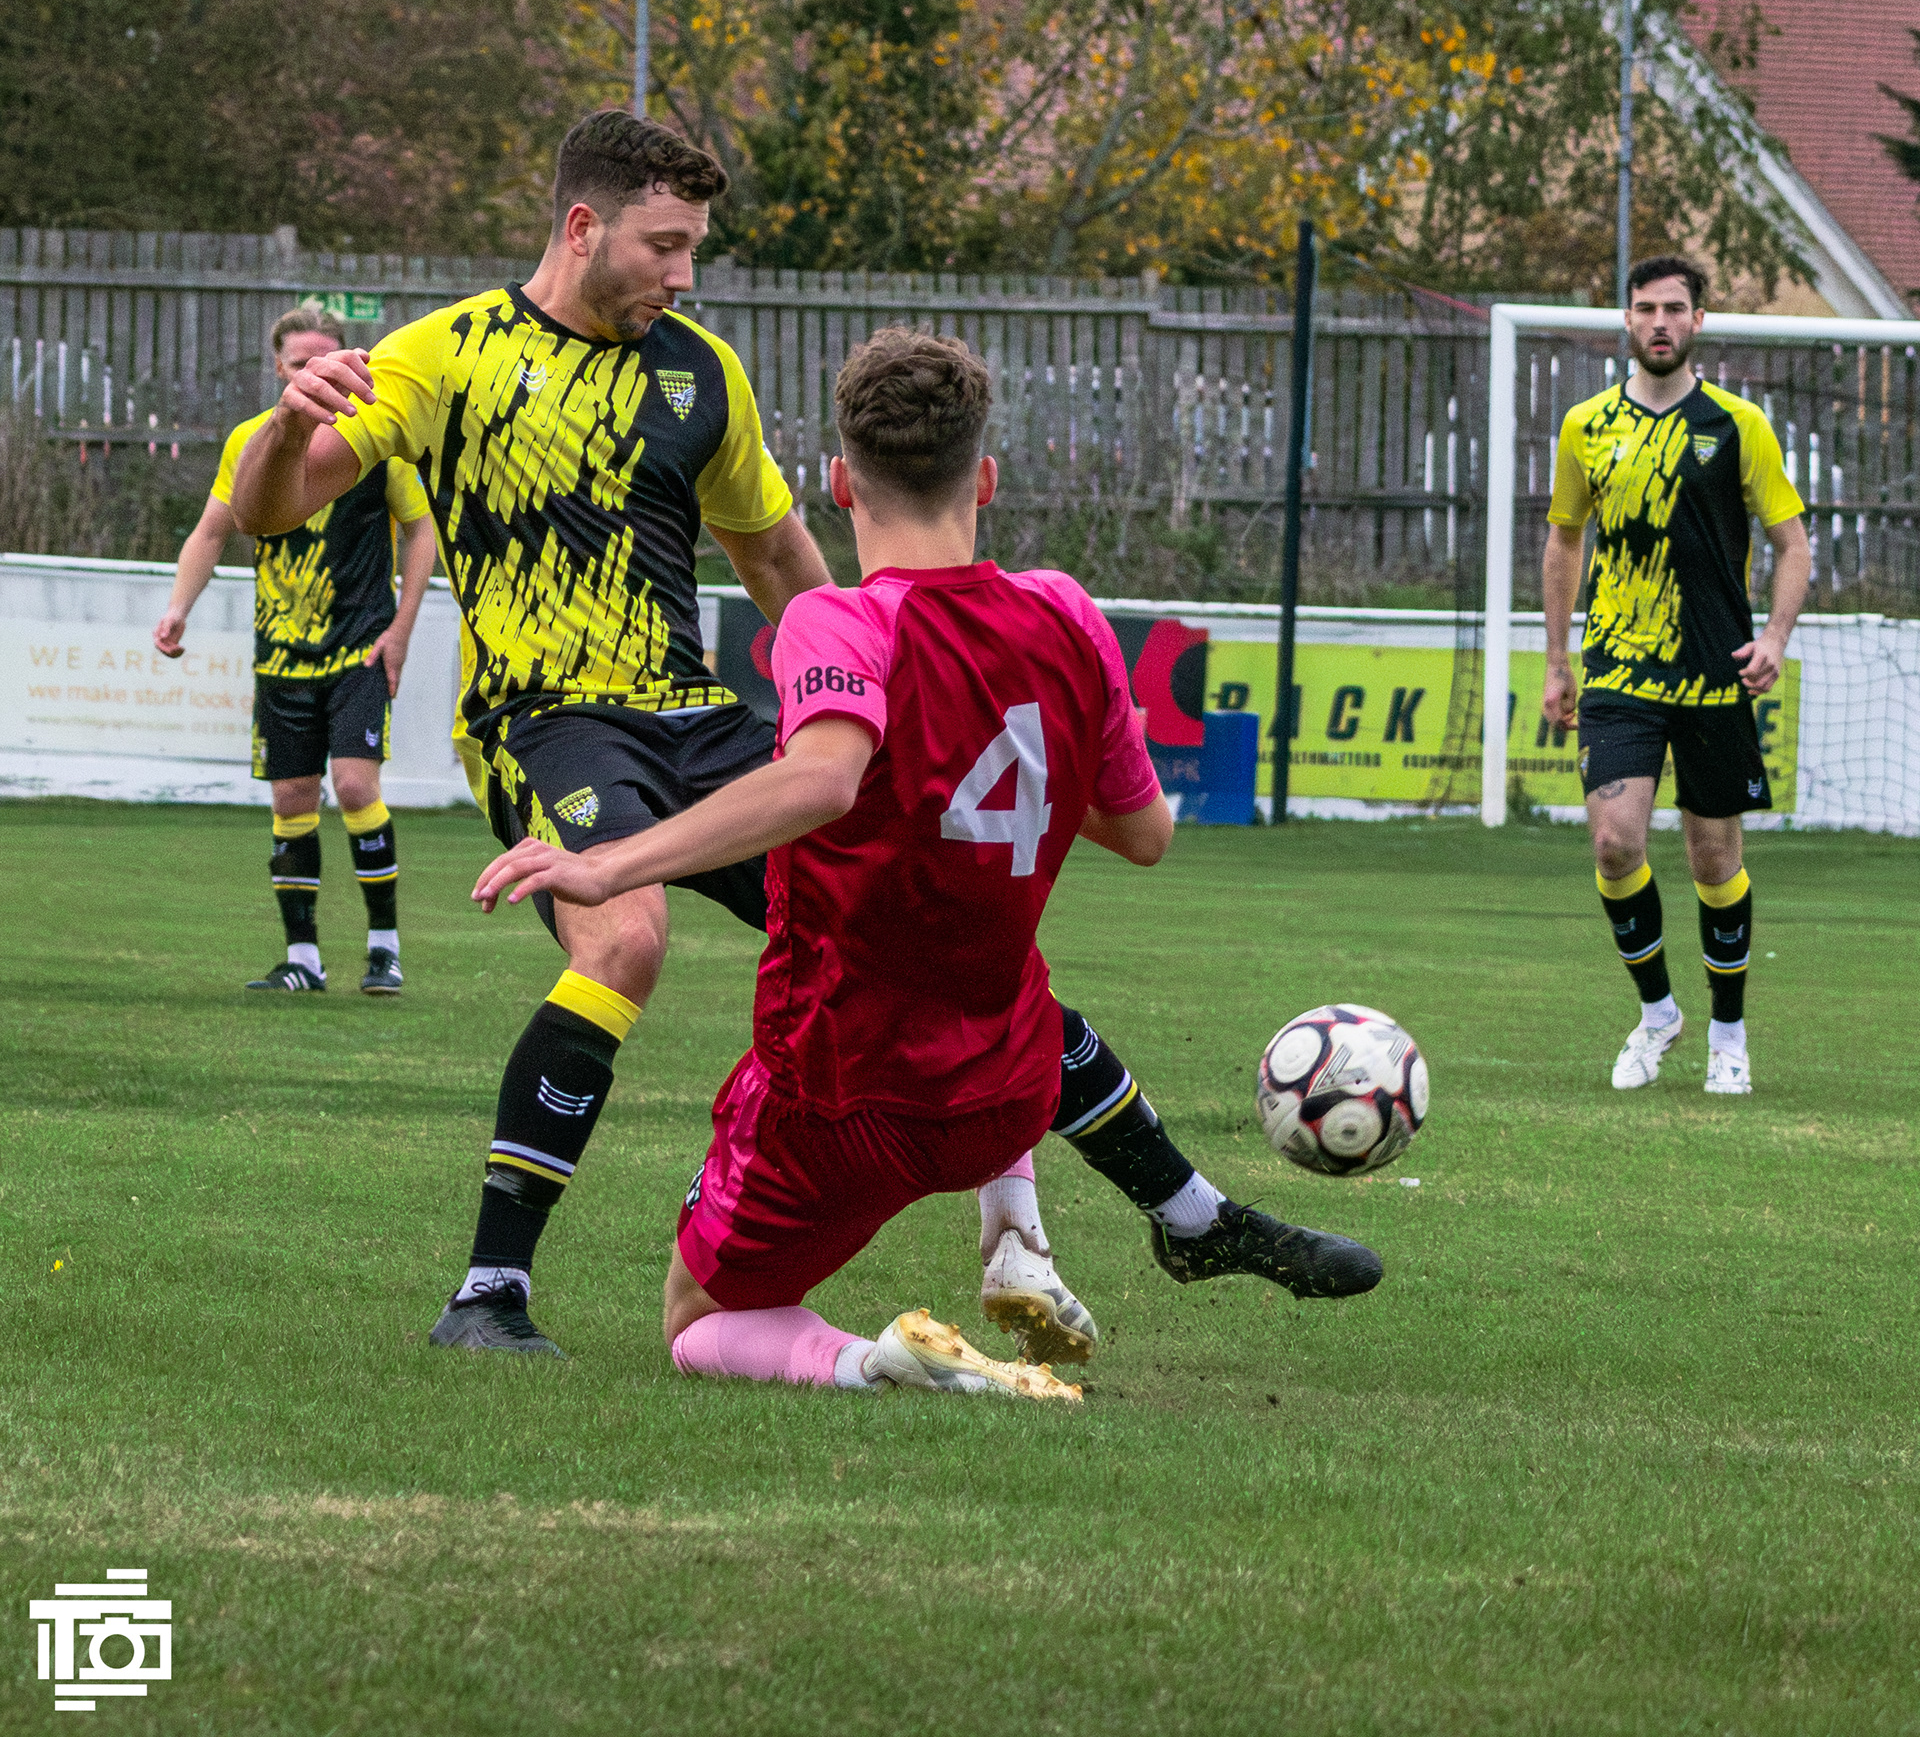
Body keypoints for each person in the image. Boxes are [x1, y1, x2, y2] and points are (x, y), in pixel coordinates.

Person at [231, 111, 1372, 1357]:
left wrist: (892, 691)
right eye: (665, 245)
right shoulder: (442, 356)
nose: (683, 274)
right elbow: (269, 508)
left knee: (934, 927)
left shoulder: (699, 373)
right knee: (626, 937)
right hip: (545, 721)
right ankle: (487, 1295)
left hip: (696, 719)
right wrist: (288, 426)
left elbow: (778, 557)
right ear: (582, 226)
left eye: (693, 249)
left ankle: (1189, 1215)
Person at [474, 329, 1381, 1400]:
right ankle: (1023, 1238)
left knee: (696, 1321)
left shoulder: (837, 622)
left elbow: (822, 780)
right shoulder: (1066, 611)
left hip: (838, 1102)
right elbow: (1145, 835)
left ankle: (880, 1362)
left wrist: (611, 865)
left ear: (838, 482)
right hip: (1008, 1097)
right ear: (984, 478)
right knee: (1004, 973)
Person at [1542, 254, 1809, 1098]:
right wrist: (1557, 660)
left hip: (1712, 672)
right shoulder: (1586, 425)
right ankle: (1658, 1013)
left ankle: (1729, 1034)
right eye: (1646, 308)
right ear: (1626, 319)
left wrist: (1774, 636)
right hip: (1619, 667)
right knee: (1614, 841)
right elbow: (1564, 540)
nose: (1660, 322)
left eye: (1674, 308)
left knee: (1712, 857)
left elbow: (1793, 544)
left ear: (1698, 321)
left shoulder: (1738, 425)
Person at [156, 305, 437, 996]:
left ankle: (384, 949)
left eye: (325, 359)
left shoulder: (376, 441)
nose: (315, 372)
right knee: (291, 797)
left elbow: (420, 531)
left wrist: (401, 629)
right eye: (300, 363)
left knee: (356, 785)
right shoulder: (251, 442)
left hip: (358, 649)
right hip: (282, 656)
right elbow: (211, 531)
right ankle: (303, 960)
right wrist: (177, 608)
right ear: (279, 369)